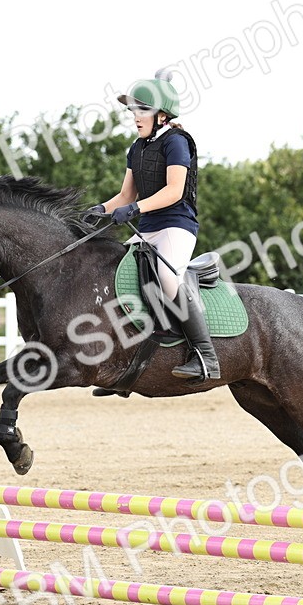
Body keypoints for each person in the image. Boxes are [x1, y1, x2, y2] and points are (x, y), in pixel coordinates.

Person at [84, 69, 220, 384]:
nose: (135, 116)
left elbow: (173, 191)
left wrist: (135, 208)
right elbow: (125, 195)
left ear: (161, 114)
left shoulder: (177, 142)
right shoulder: (137, 148)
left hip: (176, 225)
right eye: (133, 110)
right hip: (147, 226)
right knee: (114, 272)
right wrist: (99, 210)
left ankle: (205, 355)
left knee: (167, 278)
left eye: (142, 109)